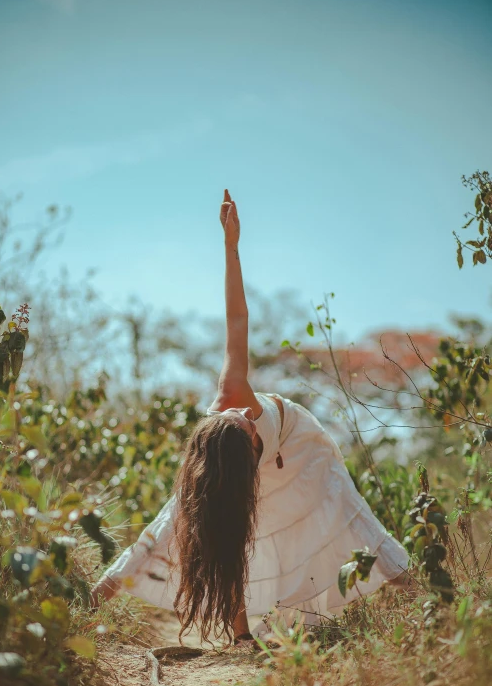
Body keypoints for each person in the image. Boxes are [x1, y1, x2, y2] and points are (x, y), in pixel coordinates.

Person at [90, 190, 411, 647]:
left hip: (299, 447)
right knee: (203, 525)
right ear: (250, 452)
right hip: (235, 472)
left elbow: (236, 319)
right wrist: (99, 593)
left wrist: (231, 246)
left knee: (348, 508)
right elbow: (194, 533)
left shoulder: (231, 395)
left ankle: (420, 592)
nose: (243, 410)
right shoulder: (218, 471)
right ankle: (239, 635)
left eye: (237, 415)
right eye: (243, 419)